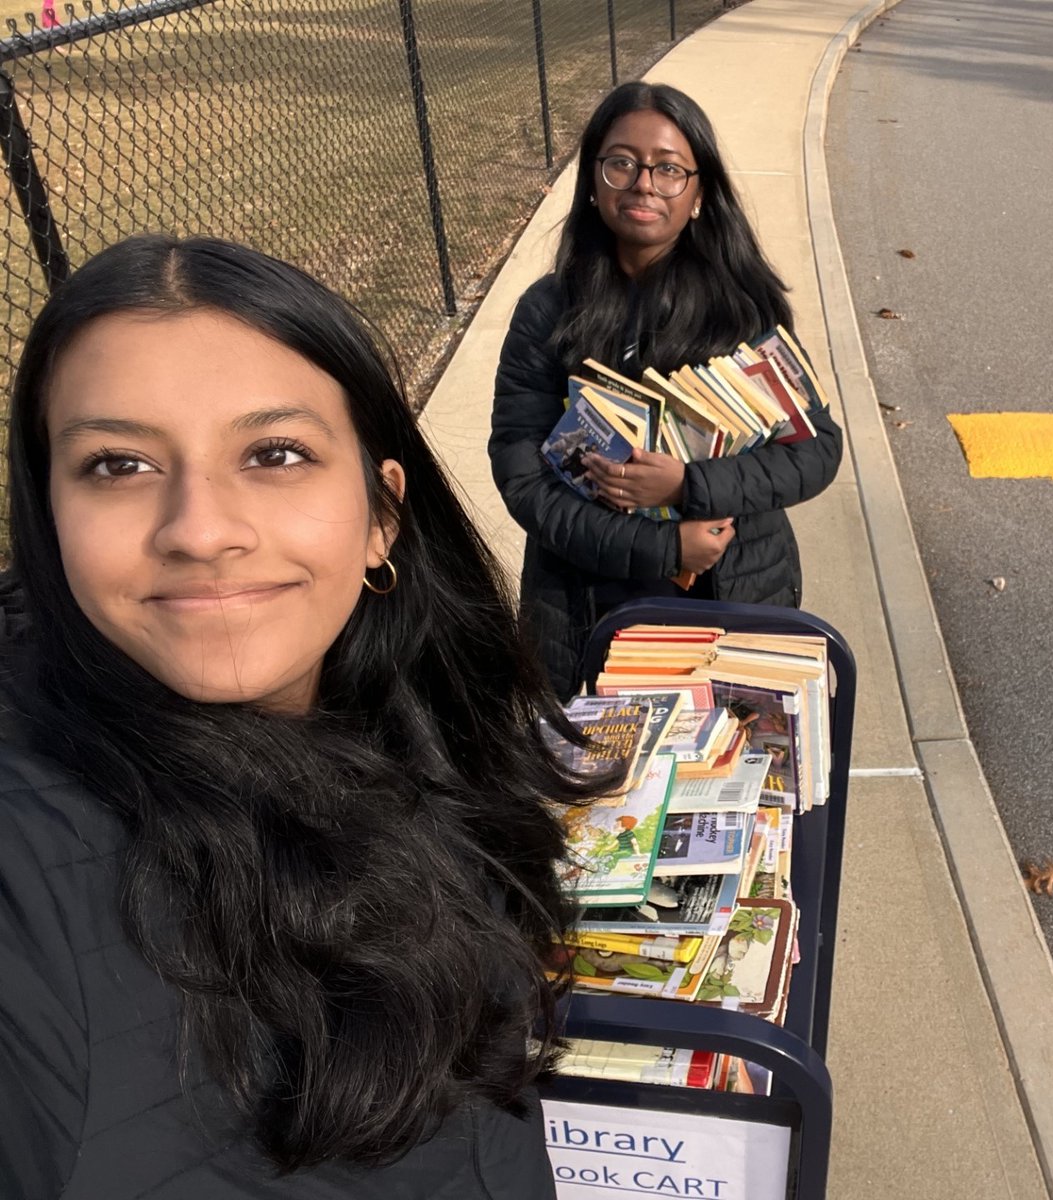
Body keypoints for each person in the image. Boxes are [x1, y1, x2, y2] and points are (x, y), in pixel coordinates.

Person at [0, 234, 602, 1199]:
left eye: (274, 453)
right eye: (117, 465)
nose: (200, 529)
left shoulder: (423, 723)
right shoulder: (28, 865)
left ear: (381, 517)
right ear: (49, 518)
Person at [490, 81, 844, 700]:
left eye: (669, 169)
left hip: (735, 599)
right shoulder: (548, 310)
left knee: (725, 780)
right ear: (594, 182)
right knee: (607, 789)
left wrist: (688, 486)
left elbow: (816, 450)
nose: (644, 183)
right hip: (588, 614)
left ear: (700, 192)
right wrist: (660, 546)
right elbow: (522, 476)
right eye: (622, 163)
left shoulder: (744, 311)